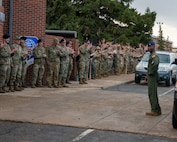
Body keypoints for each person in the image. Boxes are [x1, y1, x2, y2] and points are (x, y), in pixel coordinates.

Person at [146, 41, 161, 116]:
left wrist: (150, 72)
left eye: (150, 46)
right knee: (153, 93)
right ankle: (157, 109)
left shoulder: (154, 55)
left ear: (153, 46)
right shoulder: (151, 55)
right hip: (151, 76)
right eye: (148, 46)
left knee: (152, 93)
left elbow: (155, 64)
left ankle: (155, 110)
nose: (149, 48)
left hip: (153, 76)